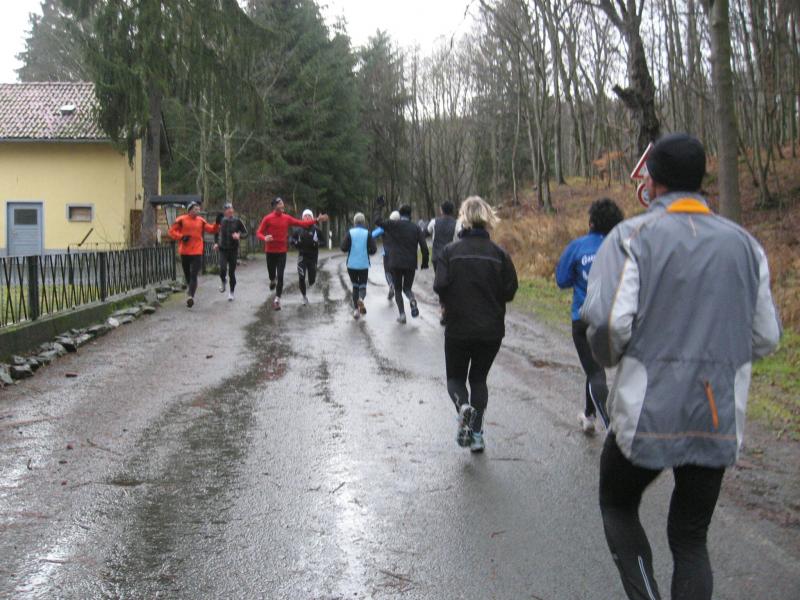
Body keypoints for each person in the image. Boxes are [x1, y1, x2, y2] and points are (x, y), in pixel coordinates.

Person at [581, 133, 781, 600]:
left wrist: (609, 360)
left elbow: (608, 325)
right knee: (690, 537)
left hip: (647, 409)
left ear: (651, 181)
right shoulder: (746, 245)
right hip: (717, 412)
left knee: (617, 503)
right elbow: (766, 337)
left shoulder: (630, 237)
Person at [433, 196, 518, 453]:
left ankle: (463, 407)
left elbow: (440, 285)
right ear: (487, 218)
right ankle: (477, 436)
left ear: (464, 219)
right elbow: (510, 290)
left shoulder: (450, 252)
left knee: (455, 379)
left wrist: (450, 301)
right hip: (491, 330)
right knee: (479, 379)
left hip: (458, 327)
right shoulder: (500, 254)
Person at [556, 198, 624, 434]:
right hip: (615, 317)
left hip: (583, 318)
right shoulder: (622, 247)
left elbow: (562, 280)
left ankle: (611, 425)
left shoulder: (577, 247)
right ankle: (589, 415)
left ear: (591, 222)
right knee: (596, 368)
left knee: (595, 372)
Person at [256, 197, 328, 311]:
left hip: (282, 252)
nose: (283, 205)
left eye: (283, 203)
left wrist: (316, 219)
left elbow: (302, 223)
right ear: (275, 206)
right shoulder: (267, 218)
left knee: (280, 276)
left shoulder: (287, 218)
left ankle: (277, 300)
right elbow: (258, 232)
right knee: (272, 275)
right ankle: (272, 280)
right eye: (280, 203)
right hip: (270, 252)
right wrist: (264, 238)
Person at [374, 200, 429, 324]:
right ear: (410, 214)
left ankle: (402, 315)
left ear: (400, 213)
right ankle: (412, 300)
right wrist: (425, 262)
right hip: (410, 263)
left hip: (395, 263)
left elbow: (377, 220)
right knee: (407, 288)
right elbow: (424, 248)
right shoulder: (416, 228)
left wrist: (379, 207)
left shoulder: (393, 224)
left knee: (398, 289)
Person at [168, 201, 219, 308]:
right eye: (195, 209)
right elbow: (171, 231)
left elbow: (211, 230)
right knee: (187, 275)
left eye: (198, 209)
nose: (198, 211)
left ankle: (190, 296)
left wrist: (217, 223)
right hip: (185, 251)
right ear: (190, 210)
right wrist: (181, 237)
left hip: (197, 251)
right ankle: (190, 291)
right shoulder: (181, 220)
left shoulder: (201, 221)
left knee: (194, 274)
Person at [341, 212, 378, 319]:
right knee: (362, 286)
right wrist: (367, 251)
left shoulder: (350, 232)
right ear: (364, 222)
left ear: (354, 222)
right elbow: (374, 249)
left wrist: (350, 248)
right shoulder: (368, 233)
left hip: (351, 265)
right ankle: (361, 299)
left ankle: (356, 311)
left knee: (355, 286)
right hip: (363, 264)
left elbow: (343, 248)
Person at [428, 201, 459, 325]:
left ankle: (444, 309)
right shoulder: (457, 223)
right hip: (451, 257)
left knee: (441, 283)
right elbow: (460, 237)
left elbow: (427, 230)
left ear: (441, 210)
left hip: (437, 257)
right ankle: (450, 309)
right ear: (452, 210)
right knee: (451, 283)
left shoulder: (434, 222)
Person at [213, 203, 248, 301]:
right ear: (225, 211)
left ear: (233, 210)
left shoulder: (237, 221)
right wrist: (216, 243)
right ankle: (223, 280)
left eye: (231, 208)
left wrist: (239, 236)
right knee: (222, 269)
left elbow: (246, 233)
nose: (230, 210)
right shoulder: (220, 220)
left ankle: (231, 292)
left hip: (233, 250)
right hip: (222, 249)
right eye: (228, 209)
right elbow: (216, 232)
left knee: (231, 272)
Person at [289, 209, 323, 306]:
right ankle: (304, 297)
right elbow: (291, 239)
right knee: (301, 277)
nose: (307, 218)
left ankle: (311, 281)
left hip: (312, 257)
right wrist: (295, 242)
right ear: (302, 218)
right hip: (302, 257)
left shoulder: (316, 229)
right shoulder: (298, 229)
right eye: (305, 216)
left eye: (309, 216)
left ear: (312, 218)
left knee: (312, 280)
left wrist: (316, 243)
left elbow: (323, 242)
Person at [371, 210, 401, 300]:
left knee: (387, 271)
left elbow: (372, 235)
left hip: (387, 253)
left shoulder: (384, 227)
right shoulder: (402, 227)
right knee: (396, 272)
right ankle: (395, 286)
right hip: (399, 254)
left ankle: (391, 285)